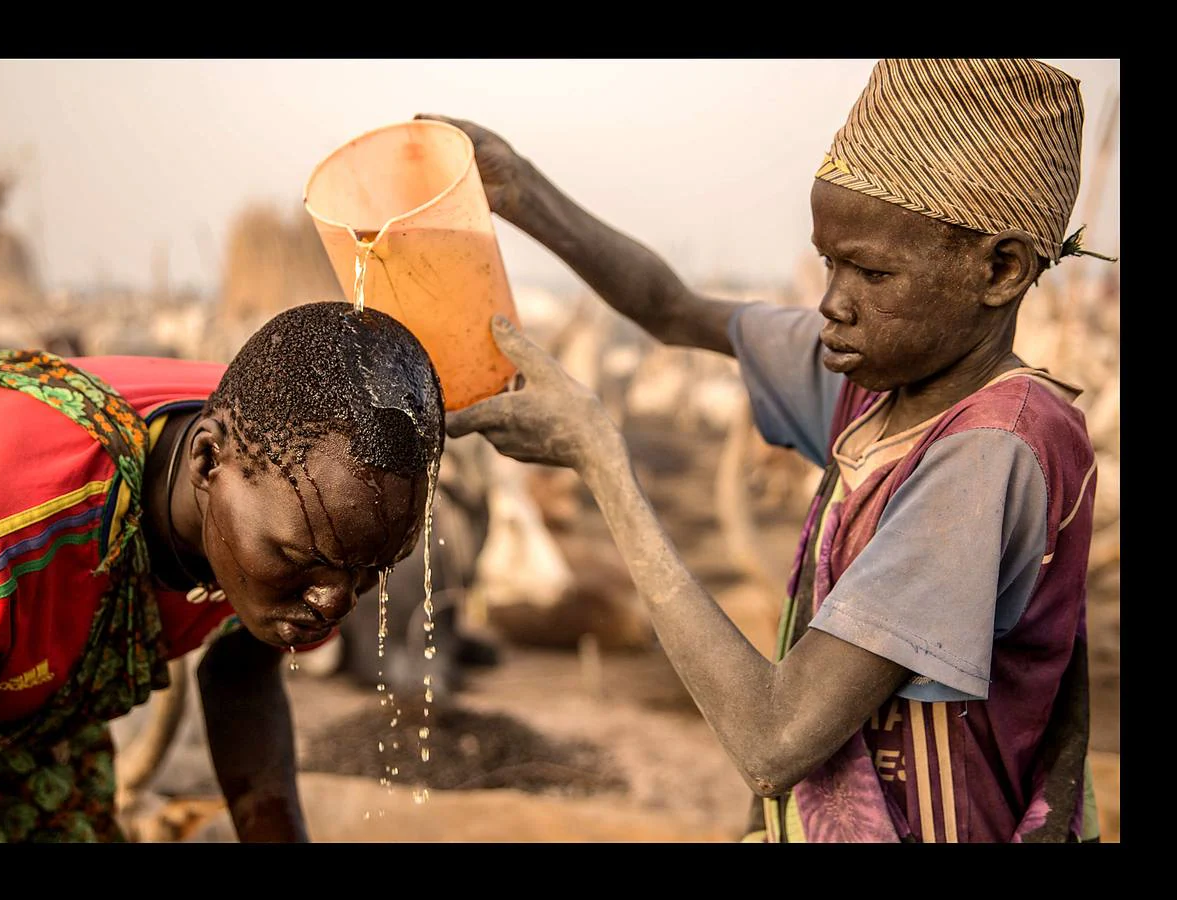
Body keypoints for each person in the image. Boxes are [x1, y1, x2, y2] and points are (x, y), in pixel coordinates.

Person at [427, 57, 1115, 842]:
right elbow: (670, 308)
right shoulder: (878, 380)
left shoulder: (992, 451)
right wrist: (519, 190)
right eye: (828, 261)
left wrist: (600, 461)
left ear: (999, 269)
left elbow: (772, 740)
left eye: (870, 271)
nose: (831, 302)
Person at [0, 300, 445, 842]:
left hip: (33, 732)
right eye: (306, 562)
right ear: (206, 462)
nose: (335, 602)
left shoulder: (296, 462)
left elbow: (241, 672)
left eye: (374, 569)